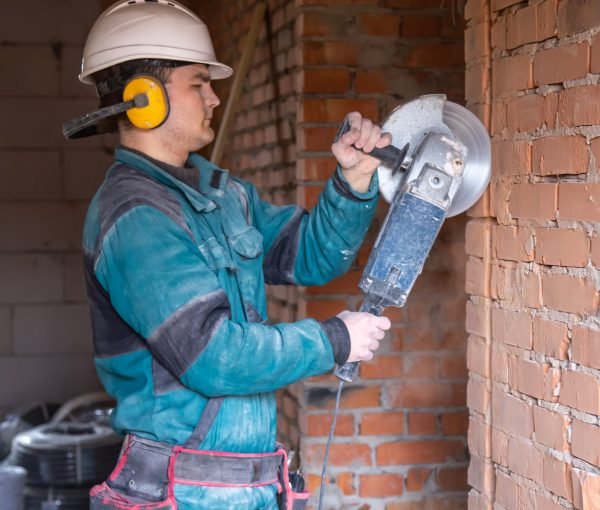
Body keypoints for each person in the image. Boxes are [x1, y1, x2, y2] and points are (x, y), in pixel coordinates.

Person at [65, 0, 391, 508]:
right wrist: (332, 340)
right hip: (182, 492)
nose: (213, 98)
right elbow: (212, 357)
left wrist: (354, 180)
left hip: (243, 486)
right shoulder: (134, 216)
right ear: (143, 98)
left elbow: (312, 256)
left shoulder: (221, 195)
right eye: (198, 83)